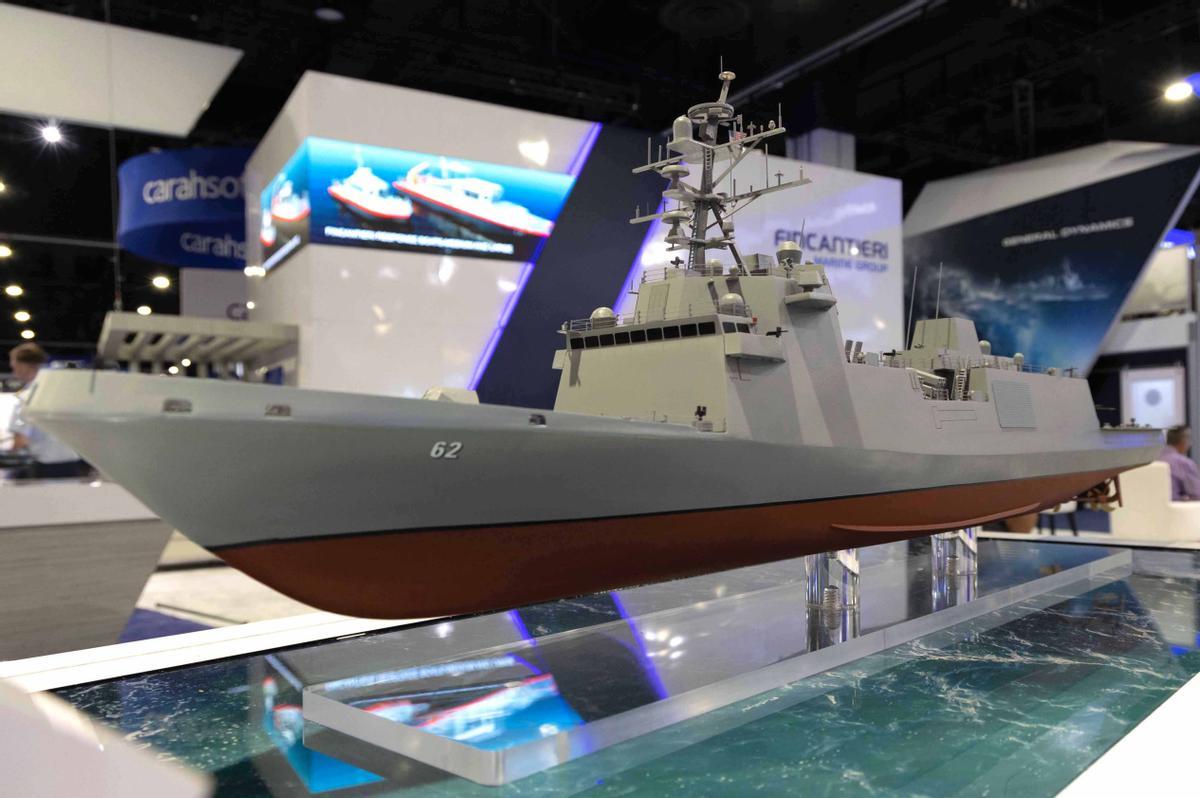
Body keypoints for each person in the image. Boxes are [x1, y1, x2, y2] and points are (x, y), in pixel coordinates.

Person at [6, 343, 90, 480]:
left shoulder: (28, 397)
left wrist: (9, 463)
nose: (13, 372)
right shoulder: (64, 392)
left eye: (14, 366)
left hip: (44, 467)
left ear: (24, 366)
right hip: (73, 464)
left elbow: (21, 440)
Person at [1158, 426, 1200, 501]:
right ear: (1183, 441)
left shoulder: (1153, 459)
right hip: (1176, 507)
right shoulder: (1184, 463)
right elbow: (1197, 496)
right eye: (1189, 439)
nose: (1190, 444)